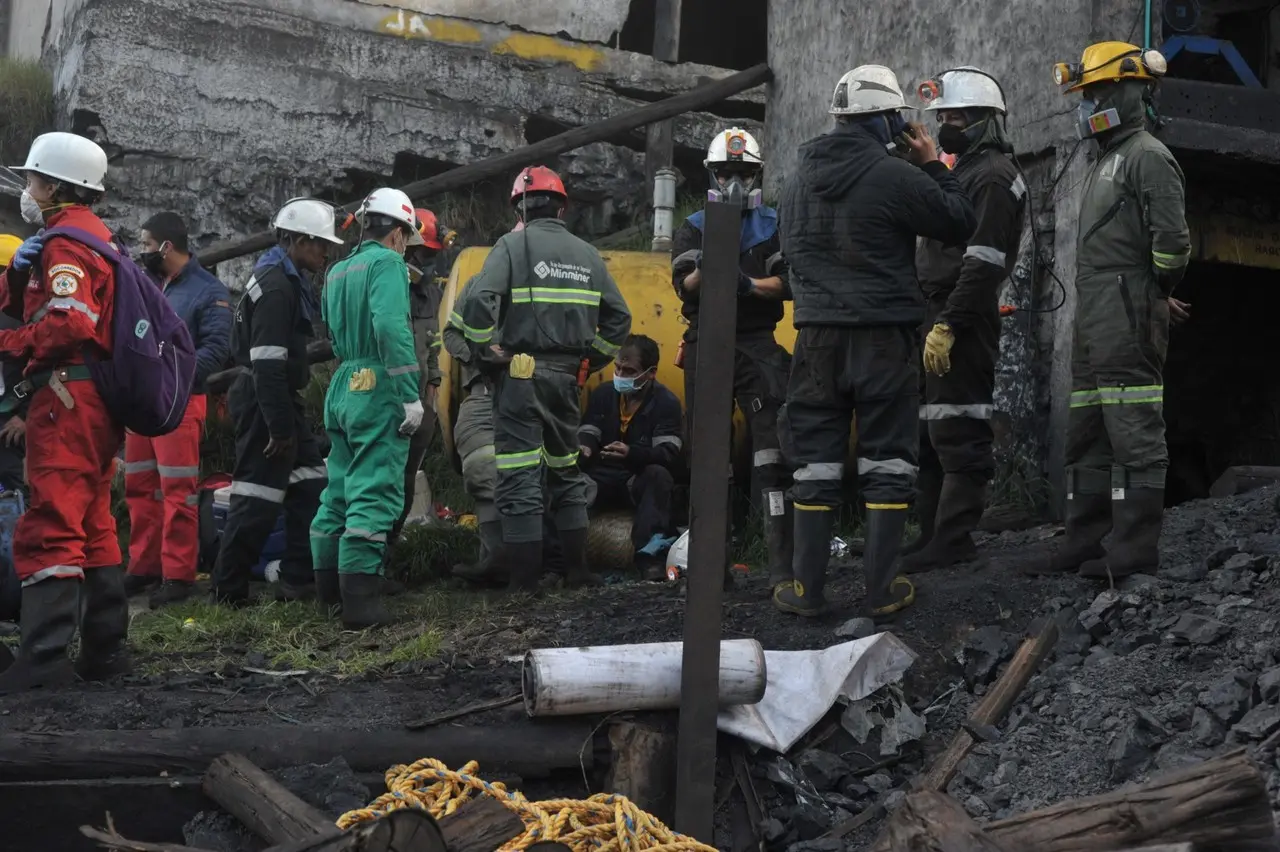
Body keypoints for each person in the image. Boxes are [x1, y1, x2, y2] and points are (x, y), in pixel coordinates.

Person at [773, 66, 976, 619]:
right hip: (883, 338)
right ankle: (882, 591)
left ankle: (806, 591)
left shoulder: (794, 182)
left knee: (813, 462)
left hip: (814, 341)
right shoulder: (894, 175)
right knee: (887, 460)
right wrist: (933, 164)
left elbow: (787, 256)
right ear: (885, 119)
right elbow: (959, 221)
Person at [1025, 42, 1190, 580]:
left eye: (1097, 93)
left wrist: (1153, 292)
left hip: (1124, 311)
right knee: (1088, 429)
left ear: (1130, 90)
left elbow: (1173, 246)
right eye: (1085, 95)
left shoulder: (1147, 156)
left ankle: (1134, 548)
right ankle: (1085, 540)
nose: (1088, 105)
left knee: (1132, 427)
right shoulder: (1107, 157)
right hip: (1098, 313)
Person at [458, 165, 632, 592]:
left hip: (521, 372)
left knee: (518, 471)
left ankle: (524, 581)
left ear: (520, 206)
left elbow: (481, 298)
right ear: (562, 207)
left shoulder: (512, 246)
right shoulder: (589, 254)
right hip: (566, 375)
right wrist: (592, 358)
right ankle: (577, 570)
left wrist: (484, 350)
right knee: (565, 469)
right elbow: (620, 318)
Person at [0, 132, 130, 692]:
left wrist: (11, 342)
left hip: (65, 399)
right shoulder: (98, 238)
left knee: (51, 520)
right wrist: (13, 279)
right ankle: (105, 650)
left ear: (53, 186)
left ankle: (45, 660)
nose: (27, 189)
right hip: (92, 401)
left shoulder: (65, 244)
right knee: (94, 522)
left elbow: (69, 323)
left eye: (31, 179)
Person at [904, 67, 1027, 574]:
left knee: (960, 428)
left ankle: (954, 539)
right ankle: (931, 534)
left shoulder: (993, 176)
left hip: (963, 314)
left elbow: (983, 261)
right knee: (932, 430)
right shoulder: (966, 171)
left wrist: (950, 322)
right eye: (944, 116)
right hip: (938, 308)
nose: (947, 124)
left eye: (957, 116)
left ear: (984, 120)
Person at [671, 127, 794, 593]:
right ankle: (709, 570)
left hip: (759, 342)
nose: (734, 181)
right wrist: (711, 256)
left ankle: (781, 568)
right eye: (725, 173)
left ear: (756, 173)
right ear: (712, 175)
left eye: (742, 173)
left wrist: (747, 284)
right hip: (706, 341)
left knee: (772, 455)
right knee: (707, 457)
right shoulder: (695, 226)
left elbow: (787, 284)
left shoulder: (773, 223)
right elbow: (684, 285)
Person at [211, 197, 340, 607]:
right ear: (298, 241)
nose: (325, 252)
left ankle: (299, 577)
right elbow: (267, 363)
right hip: (266, 399)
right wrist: (280, 427)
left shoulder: (279, 276)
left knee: (312, 485)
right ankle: (227, 590)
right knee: (256, 496)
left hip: (277, 397)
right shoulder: (278, 286)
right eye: (319, 244)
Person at [309, 189, 424, 628]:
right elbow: (391, 326)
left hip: (342, 384)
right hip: (378, 386)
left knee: (337, 489)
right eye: (406, 238)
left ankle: (328, 595)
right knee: (373, 489)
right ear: (397, 233)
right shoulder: (388, 264)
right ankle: (361, 605)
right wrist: (409, 393)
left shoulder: (337, 270)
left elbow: (334, 335)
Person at [123, 212, 232, 608]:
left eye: (147, 245)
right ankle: (144, 566)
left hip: (180, 403)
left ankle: (178, 574)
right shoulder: (147, 284)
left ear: (167, 246)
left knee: (177, 492)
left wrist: (173, 380)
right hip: (142, 403)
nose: (143, 251)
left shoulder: (209, 291)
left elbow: (216, 349)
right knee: (139, 487)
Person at [578, 334, 683, 581]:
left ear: (651, 373)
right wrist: (585, 448)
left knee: (659, 477)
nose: (621, 375)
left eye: (629, 370)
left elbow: (668, 454)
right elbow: (588, 430)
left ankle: (650, 558)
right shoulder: (604, 394)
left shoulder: (666, 403)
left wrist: (631, 453)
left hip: (634, 477)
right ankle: (561, 559)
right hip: (602, 474)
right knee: (567, 478)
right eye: (618, 368)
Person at [384, 207, 455, 566]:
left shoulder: (430, 295)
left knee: (407, 478)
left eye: (430, 256)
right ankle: (367, 560)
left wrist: (433, 384)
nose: (426, 263)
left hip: (420, 399)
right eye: (421, 255)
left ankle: (391, 551)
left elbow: (434, 343)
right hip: (387, 398)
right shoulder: (385, 285)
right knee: (381, 479)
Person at [0, 236, 29, 494]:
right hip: (10, 413)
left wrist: (25, 416)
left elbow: (46, 369)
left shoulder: (24, 316)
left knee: (13, 482)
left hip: (11, 417)